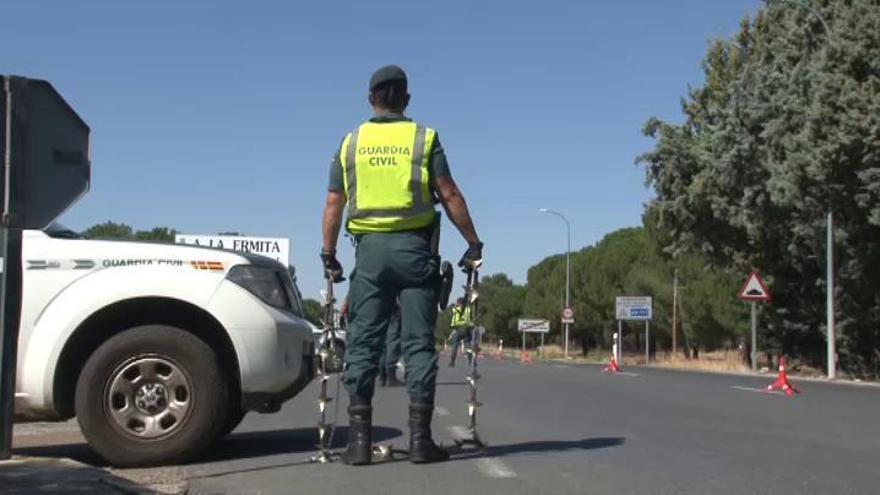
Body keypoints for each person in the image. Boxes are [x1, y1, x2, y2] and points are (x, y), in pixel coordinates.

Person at [320, 65, 482, 465]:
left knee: (363, 341)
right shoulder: (424, 138)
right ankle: (421, 442)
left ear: (370, 99)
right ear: (406, 99)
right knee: (418, 343)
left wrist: (329, 254)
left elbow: (333, 204)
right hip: (415, 252)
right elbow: (450, 194)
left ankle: (359, 444)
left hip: (370, 254)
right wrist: (473, 242)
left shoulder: (351, 142)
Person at [378, 304, 404, 387]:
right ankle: (391, 376)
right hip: (391, 306)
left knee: (382, 342)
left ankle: (382, 376)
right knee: (392, 340)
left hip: (378, 306)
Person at [447, 297, 474, 367]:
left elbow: (452, 318)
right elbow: (471, 319)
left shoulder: (455, 310)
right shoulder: (468, 310)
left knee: (455, 346)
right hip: (466, 329)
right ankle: (470, 361)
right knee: (468, 346)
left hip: (458, 330)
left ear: (458, 303)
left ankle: (452, 362)